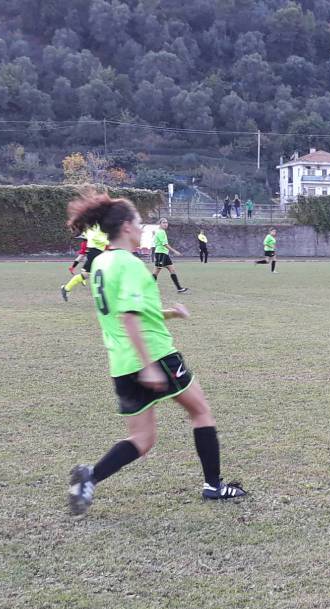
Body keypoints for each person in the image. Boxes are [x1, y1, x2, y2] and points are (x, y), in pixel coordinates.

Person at [64, 191, 246, 515]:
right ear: (126, 227)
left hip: (120, 363)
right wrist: (149, 366)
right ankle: (213, 486)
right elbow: (130, 316)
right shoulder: (130, 264)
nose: (141, 229)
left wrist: (169, 313)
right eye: (138, 223)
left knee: (141, 440)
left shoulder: (101, 263)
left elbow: (128, 310)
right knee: (201, 412)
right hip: (155, 356)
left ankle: (90, 477)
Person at [60, 224, 108, 300]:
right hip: (94, 253)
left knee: (85, 275)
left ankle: (66, 289)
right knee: (100, 273)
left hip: (97, 253)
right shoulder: (94, 228)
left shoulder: (98, 226)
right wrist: (108, 241)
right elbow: (95, 237)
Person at [151, 218, 189, 293]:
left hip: (164, 254)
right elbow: (165, 244)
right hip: (160, 254)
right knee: (156, 272)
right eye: (163, 222)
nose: (166, 224)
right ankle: (149, 288)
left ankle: (179, 288)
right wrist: (174, 251)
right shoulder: (161, 232)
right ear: (160, 224)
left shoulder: (159, 231)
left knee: (172, 270)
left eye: (166, 223)